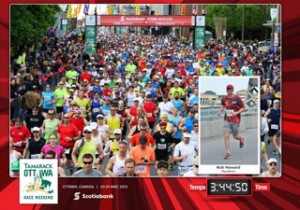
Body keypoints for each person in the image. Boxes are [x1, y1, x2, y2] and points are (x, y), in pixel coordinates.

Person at [217, 84, 245, 159]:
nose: (229, 90)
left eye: (230, 89)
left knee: (235, 136)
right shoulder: (224, 98)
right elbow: (223, 106)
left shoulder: (237, 98)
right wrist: (220, 111)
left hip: (236, 119)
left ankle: (241, 138)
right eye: (228, 89)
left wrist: (236, 113)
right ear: (226, 90)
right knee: (226, 135)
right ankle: (228, 153)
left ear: (233, 90)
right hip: (227, 119)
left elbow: (243, 108)